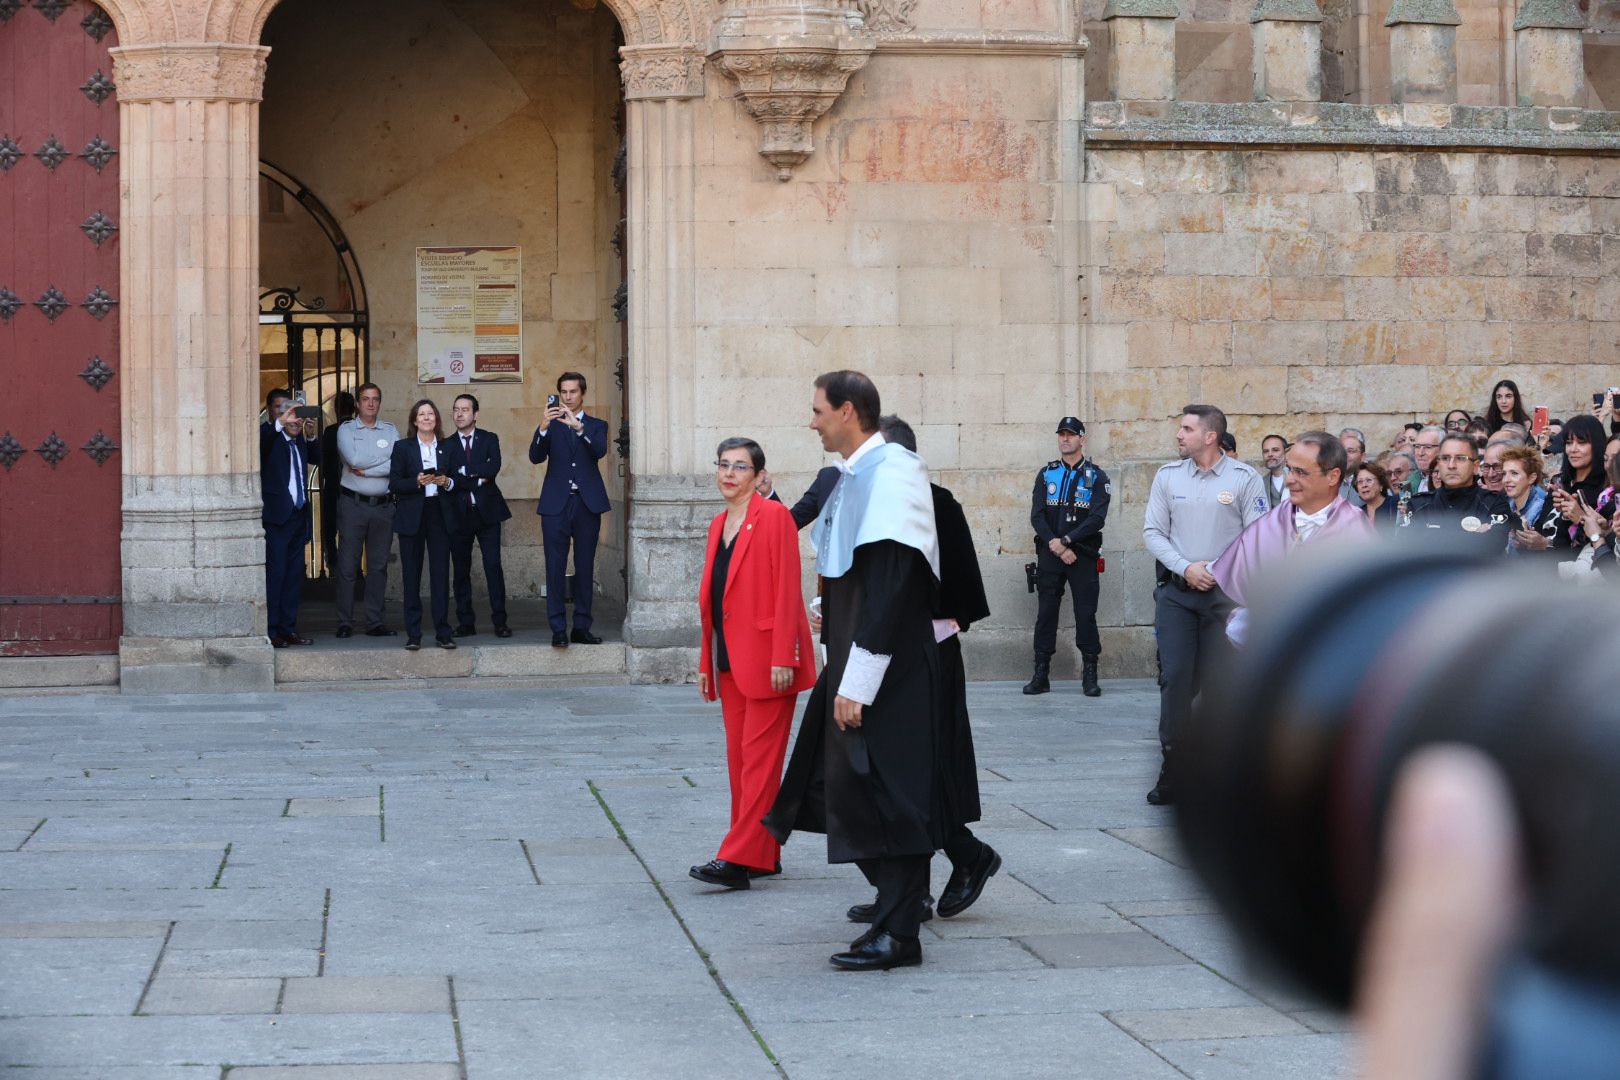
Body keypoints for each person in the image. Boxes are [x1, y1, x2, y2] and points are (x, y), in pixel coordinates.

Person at [764, 370, 943, 972]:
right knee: (838, 786)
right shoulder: (855, 473)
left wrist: (858, 682)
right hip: (853, 656)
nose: (811, 421)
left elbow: (893, 584)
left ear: (847, 411)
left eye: (817, 411)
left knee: (888, 794)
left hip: (884, 670)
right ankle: (897, 914)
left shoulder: (892, 474)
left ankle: (900, 934)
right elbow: (854, 567)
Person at [876, 414, 1000, 921]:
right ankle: (906, 890)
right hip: (887, 652)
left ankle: (966, 855)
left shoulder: (937, 503)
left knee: (924, 766)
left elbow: (958, 586)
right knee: (897, 770)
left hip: (927, 652)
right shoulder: (881, 503)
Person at [690, 437, 817, 890]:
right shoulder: (717, 524)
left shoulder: (774, 517)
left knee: (761, 763)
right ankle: (762, 853)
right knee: (739, 761)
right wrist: (707, 659)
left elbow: (788, 587)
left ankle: (736, 858)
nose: (729, 473)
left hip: (768, 660)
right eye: (723, 464)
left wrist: (785, 653)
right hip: (729, 659)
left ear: (759, 475)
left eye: (740, 467)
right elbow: (712, 600)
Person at [1141, 404, 1267, 805]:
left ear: (1210, 436)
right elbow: (1153, 532)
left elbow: (1257, 536)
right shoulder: (1168, 477)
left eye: (1186, 428)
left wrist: (1218, 569)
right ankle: (1173, 765)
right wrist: (1186, 567)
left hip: (1225, 597)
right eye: (1180, 428)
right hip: (1177, 594)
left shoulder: (1245, 479)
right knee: (1175, 677)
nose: (1178, 435)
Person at [1211, 432, 1374, 645]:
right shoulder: (1269, 523)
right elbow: (1234, 586)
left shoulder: (1355, 529)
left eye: (1301, 472)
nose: (1289, 480)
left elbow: (1367, 602)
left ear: (1333, 476)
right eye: (1289, 469)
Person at [1022, 416, 1110, 698]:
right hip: (1051, 553)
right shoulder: (1047, 474)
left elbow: (1097, 518)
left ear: (1082, 439)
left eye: (1071, 434)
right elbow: (1037, 515)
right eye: (1061, 434)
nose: (1065, 439)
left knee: (1086, 613)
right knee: (1046, 613)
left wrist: (1068, 541)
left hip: (1082, 555)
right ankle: (1041, 674)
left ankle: (1090, 673)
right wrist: (1056, 544)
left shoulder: (1097, 476)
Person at [529, 372, 610, 648]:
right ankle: (558, 628)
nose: (567, 397)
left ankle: (582, 626)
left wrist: (579, 429)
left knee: (585, 566)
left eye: (573, 392)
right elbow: (535, 457)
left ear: (582, 393)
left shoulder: (597, 425)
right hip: (556, 504)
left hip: (587, 504)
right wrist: (542, 427)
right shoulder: (550, 426)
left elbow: (599, 451)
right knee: (555, 566)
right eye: (563, 392)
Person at [390, 399, 463, 650]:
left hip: (439, 514)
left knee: (440, 574)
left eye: (431, 414)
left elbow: (458, 481)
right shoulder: (402, 448)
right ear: (414, 420)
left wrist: (446, 482)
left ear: (436, 420)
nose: (427, 418)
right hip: (412, 514)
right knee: (411, 575)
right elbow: (395, 484)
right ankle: (414, 633)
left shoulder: (448, 447)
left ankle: (443, 632)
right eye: (422, 414)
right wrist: (417, 481)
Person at [334, 383, 399, 639]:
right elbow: (354, 460)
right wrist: (381, 461)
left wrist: (369, 469)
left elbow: (398, 463)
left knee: (378, 567)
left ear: (379, 403)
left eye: (375, 399)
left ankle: (374, 622)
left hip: (383, 507)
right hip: (353, 505)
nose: (370, 404)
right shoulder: (346, 430)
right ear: (357, 404)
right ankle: (345, 622)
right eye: (365, 399)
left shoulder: (390, 430)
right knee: (348, 566)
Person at [444, 393, 512, 638]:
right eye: (455, 409)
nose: (459, 414)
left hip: (488, 514)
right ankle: (466, 622)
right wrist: (477, 478)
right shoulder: (446, 444)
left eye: (465, 409)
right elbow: (448, 477)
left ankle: (500, 622)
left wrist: (465, 473)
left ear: (476, 414)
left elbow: (493, 467)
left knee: (493, 566)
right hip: (459, 515)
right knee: (461, 570)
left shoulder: (489, 439)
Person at [261, 388, 321, 648]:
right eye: (284, 411)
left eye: (296, 412)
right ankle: (272, 630)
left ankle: (288, 628)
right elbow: (260, 443)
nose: (292, 418)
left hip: (298, 517)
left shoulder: (298, 442)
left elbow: (319, 459)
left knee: (294, 576)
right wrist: (279, 424)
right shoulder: (270, 438)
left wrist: (310, 435)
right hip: (277, 519)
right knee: (277, 575)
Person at [1407, 435, 1511, 551]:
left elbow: (1493, 546)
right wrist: (1473, 537)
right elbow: (1407, 551)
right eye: (1445, 458)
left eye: (1461, 458)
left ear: (1475, 466)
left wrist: (1431, 537)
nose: (1451, 465)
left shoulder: (1493, 503)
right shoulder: (1418, 505)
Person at [1550, 414, 1608, 557]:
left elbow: (1607, 548)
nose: (1573, 449)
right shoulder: (1559, 483)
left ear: (1597, 445)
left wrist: (1581, 518)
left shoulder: (1605, 491)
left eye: (1581, 442)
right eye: (1569, 442)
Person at [318, 389, 356, 574]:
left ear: (335, 410)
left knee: (329, 530)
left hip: (333, 487)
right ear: (355, 409)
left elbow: (324, 461)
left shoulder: (331, 431)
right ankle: (354, 568)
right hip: (355, 489)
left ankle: (333, 566)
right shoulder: (358, 430)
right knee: (353, 531)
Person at [1501, 445, 1558, 556]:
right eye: (1504, 474)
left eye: (1514, 473)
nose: (1506, 480)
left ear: (1531, 478)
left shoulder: (1543, 508)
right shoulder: (1505, 503)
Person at [1356, 462, 1399, 527]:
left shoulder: (1396, 504)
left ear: (1381, 484)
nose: (1364, 485)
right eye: (1360, 482)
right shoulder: (1357, 513)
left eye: (1368, 480)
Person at [1410, 426, 1445, 493]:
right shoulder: (1411, 479)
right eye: (1417, 447)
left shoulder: (1449, 480)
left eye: (1428, 447)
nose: (1420, 453)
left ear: (1442, 448)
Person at [1339, 427, 1367, 508]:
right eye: (1342, 451)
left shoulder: (1371, 480)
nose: (1345, 455)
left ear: (1362, 457)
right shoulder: (1327, 479)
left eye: (1350, 451)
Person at [1260, 434, 1288, 508]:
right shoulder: (1260, 483)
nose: (1270, 454)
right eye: (1266, 451)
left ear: (1285, 453)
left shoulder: (1298, 478)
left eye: (1275, 450)